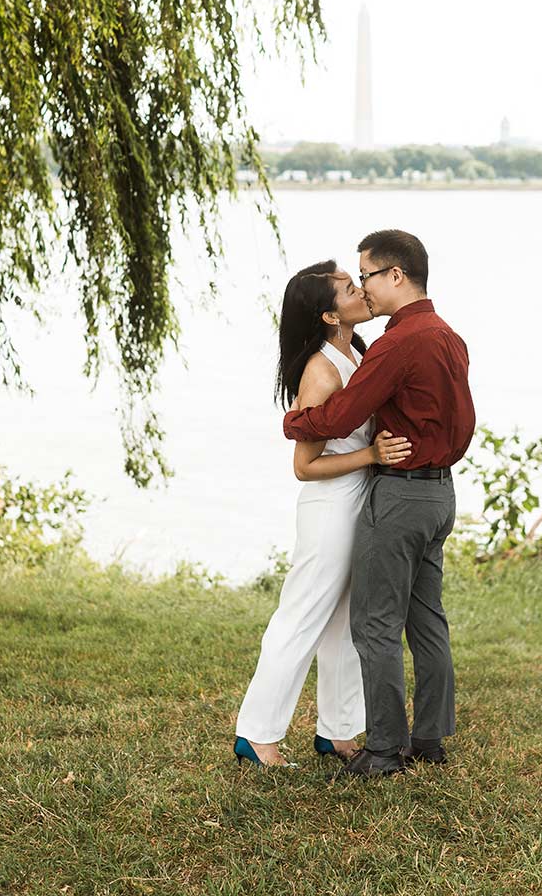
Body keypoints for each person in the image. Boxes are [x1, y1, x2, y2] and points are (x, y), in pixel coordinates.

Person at [283, 230, 476, 777]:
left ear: (396, 276)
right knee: (427, 621)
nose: (362, 287)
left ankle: (386, 749)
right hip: (440, 494)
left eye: (365, 275)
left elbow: (340, 416)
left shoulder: (399, 342)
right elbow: (464, 423)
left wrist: (293, 421)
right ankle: (431, 739)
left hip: (401, 496)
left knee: (374, 623)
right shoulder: (447, 336)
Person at [234, 260, 412, 767]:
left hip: (360, 502)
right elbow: (305, 464)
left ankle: (336, 732)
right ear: (331, 316)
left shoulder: (353, 350)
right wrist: (372, 456)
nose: (363, 290)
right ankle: (257, 733)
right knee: (302, 616)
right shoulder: (321, 369)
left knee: (346, 622)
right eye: (351, 288)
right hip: (331, 506)